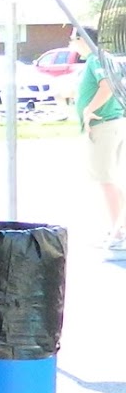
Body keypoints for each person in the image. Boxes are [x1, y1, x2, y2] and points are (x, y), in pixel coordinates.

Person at [72, 28, 126, 250]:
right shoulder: (108, 59)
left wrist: (89, 110)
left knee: (106, 179)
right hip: (114, 123)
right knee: (110, 178)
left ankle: (118, 233)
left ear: (81, 39)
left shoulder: (96, 59)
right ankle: (118, 227)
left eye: (73, 39)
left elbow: (107, 87)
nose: (71, 44)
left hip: (104, 125)